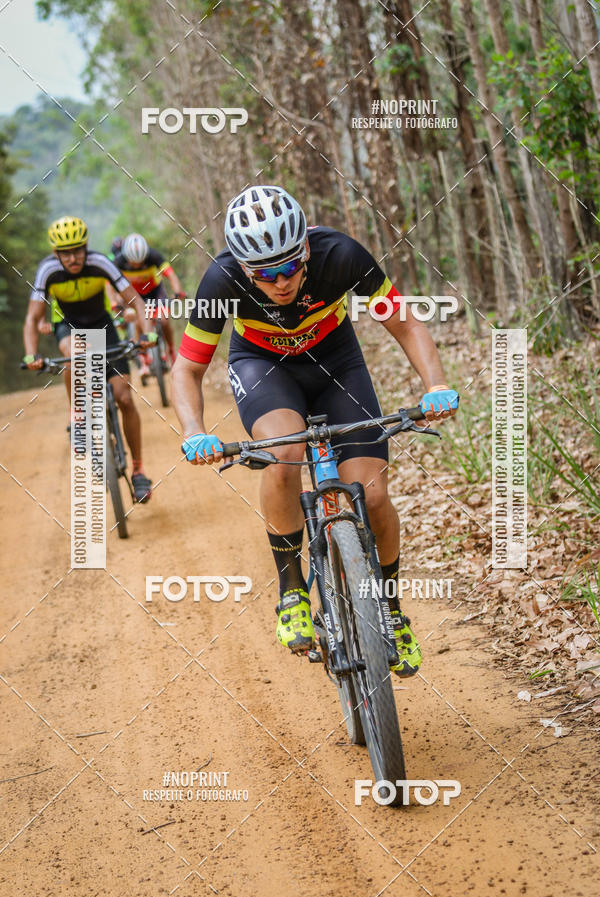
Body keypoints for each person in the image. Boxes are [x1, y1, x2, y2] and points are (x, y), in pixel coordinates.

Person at [171, 186, 459, 675]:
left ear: (306, 249)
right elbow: (186, 371)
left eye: (290, 266)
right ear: (244, 269)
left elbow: (407, 324)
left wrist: (436, 386)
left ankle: (390, 612)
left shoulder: (341, 255)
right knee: (283, 451)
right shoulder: (221, 282)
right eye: (266, 273)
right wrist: (195, 430)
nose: (282, 282)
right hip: (265, 367)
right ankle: (291, 594)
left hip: (336, 362)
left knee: (372, 492)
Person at [22, 215, 155, 503]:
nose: (73, 258)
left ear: (86, 247)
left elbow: (135, 300)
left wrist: (147, 335)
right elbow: (33, 318)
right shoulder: (47, 270)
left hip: (104, 327)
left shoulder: (100, 263)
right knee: (73, 354)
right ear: (56, 253)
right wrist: (31, 353)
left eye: (78, 250)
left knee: (125, 399)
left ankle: (139, 470)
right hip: (69, 327)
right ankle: (79, 419)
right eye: (66, 253)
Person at [114, 233, 184, 367]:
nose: (137, 266)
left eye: (140, 262)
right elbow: (110, 284)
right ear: (126, 257)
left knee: (163, 320)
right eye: (133, 263)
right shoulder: (119, 261)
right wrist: (116, 303)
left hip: (155, 292)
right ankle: (143, 354)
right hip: (134, 295)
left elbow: (171, 275)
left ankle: (171, 349)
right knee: (137, 319)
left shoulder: (154, 256)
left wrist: (178, 292)